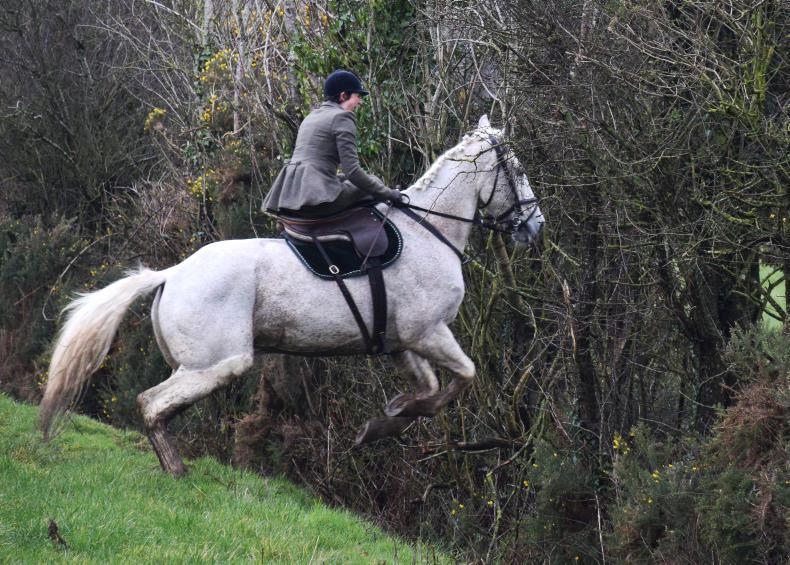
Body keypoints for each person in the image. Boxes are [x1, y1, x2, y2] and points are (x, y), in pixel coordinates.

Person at [262, 69, 402, 219]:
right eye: (357, 96)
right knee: (374, 182)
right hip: (315, 200)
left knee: (350, 180)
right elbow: (352, 171)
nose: (359, 102)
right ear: (343, 95)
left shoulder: (311, 116)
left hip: (288, 196)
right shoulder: (342, 117)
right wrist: (390, 193)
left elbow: (319, 168)